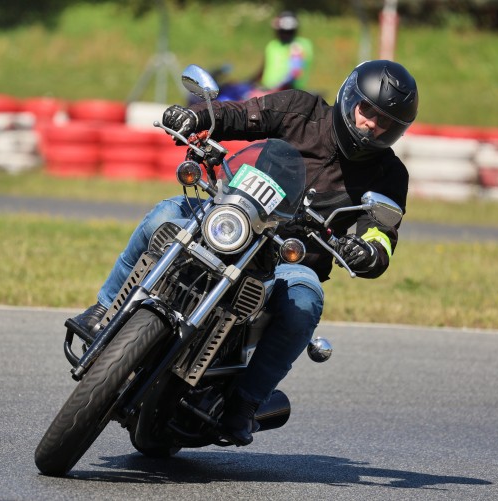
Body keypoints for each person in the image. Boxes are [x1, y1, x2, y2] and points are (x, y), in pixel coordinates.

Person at [66, 59, 418, 446]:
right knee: (164, 214)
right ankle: (104, 309)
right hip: (234, 217)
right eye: (367, 110)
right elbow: (240, 115)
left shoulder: (390, 175)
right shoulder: (301, 110)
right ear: (351, 97)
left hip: (289, 258)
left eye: (385, 121)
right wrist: (193, 116)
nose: (371, 124)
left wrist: (368, 251)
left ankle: (244, 403)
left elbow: (383, 233)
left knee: (305, 302)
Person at [250, 11, 314, 92]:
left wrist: (277, 90)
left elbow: (294, 73)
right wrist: (248, 82)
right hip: (268, 92)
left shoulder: (297, 46)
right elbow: (263, 69)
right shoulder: (272, 45)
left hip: (289, 93)